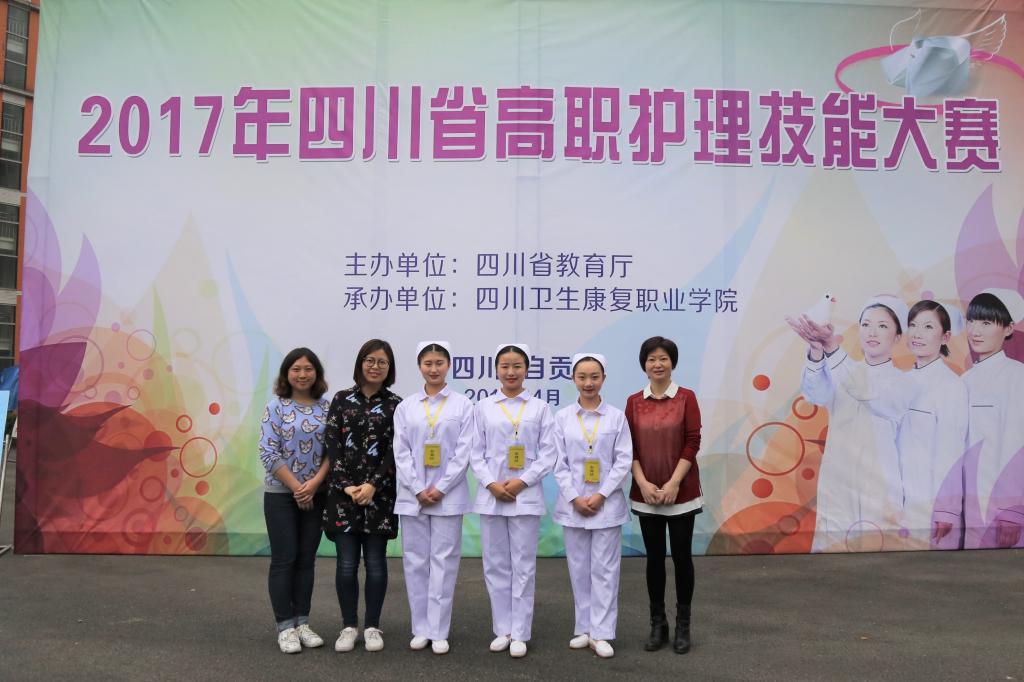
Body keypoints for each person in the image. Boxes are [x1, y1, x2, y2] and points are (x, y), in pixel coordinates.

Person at [787, 295, 916, 552]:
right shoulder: (842, 370)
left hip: (879, 485)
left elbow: (863, 390)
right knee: (831, 557)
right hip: (838, 481)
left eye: (882, 326)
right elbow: (815, 394)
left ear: (897, 337)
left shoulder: (904, 382)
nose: (872, 332)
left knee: (877, 559)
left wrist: (832, 348)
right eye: (866, 325)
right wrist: (816, 351)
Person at [470, 343, 558, 659]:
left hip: (526, 496)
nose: (511, 372)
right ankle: (502, 629)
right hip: (491, 496)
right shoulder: (483, 407)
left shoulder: (539, 408)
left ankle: (520, 632)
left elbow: (549, 453)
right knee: (495, 564)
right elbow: (474, 452)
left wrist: (523, 481)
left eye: (517, 366)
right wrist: (491, 484)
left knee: (523, 565)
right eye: (505, 366)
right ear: (496, 370)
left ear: (526, 369)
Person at [392, 341, 473, 655]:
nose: (434, 368)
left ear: (448, 365)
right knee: (415, 561)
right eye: (428, 363)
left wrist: (442, 487)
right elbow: (401, 451)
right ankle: (420, 628)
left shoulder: (462, 405)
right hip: (413, 496)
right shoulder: (407, 407)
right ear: (419, 366)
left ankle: (439, 630)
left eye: (439, 362)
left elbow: (464, 452)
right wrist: (416, 487)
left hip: (447, 496)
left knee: (444, 562)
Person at [323, 339, 402, 652]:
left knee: (376, 563)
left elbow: (396, 451)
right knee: (346, 564)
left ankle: (372, 626)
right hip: (343, 496)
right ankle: (348, 626)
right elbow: (332, 445)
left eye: (382, 362)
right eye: (370, 360)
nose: (375, 366)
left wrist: (373, 485)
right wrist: (346, 485)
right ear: (360, 363)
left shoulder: (396, 404)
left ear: (389, 368)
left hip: (379, 497)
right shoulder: (342, 399)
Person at [625, 336, 702, 655]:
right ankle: (658, 624)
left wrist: (673, 483)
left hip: (680, 491)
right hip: (647, 492)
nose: (657, 364)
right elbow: (628, 447)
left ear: (673, 363)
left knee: (682, 558)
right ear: (644, 365)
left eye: (663, 358)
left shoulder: (686, 397)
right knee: (654, 559)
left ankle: (683, 625)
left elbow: (693, 441)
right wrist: (643, 483)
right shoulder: (634, 401)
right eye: (651, 359)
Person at [553, 353, 632, 659]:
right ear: (573, 379)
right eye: (582, 377)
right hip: (573, 505)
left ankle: (602, 633)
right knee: (579, 569)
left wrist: (601, 494)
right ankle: (584, 629)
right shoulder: (562, 418)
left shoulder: (616, 417)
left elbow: (623, 460)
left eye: (594, 377)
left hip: (606, 506)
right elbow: (558, 463)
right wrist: (574, 496)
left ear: (603, 379)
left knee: (605, 570)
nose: (588, 383)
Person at [259, 348, 331, 654]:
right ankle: (285, 626)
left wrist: (313, 485)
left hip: (316, 493)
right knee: (284, 559)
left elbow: (333, 452)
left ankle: (302, 621)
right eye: (296, 369)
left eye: (308, 369)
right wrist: (298, 488)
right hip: (281, 495)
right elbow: (268, 452)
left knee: (306, 559)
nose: (302, 374)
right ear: (286, 374)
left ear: (317, 373)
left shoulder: (327, 407)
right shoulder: (275, 407)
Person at [896, 300, 968, 550]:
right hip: (895, 502)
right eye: (913, 325)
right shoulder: (900, 381)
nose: (917, 333)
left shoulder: (951, 386)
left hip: (929, 507)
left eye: (928, 327)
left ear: (945, 337)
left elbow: (952, 451)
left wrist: (946, 510)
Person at [962, 288, 1024, 549]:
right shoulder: (964, 380)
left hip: (1000, 509)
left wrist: (1011, 512)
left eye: (986, 323)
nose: (975, 331)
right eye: (972, 321)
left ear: (1008, 329)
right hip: (969, 501)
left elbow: (1016, 446)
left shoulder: (1017, 376)